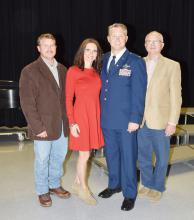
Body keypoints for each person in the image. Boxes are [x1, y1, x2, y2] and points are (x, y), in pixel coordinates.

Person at [98, 23, 147, 211]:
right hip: (107, 119)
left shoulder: (135, 61)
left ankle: (129, 193)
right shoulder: (102, 59)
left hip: (127, 121)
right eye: (113, 36)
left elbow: (138, 93)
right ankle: (114, 185)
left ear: (126, 38)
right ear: (108, 38)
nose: (117, 39)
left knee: (128, 157)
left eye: (121, 36)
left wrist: (135, 118)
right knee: (111, 155)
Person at [19, 33, 71, 207]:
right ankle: (42, 190)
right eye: (45, 45)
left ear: (56, 47)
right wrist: (37, 127)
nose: (50, 49)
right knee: (42, 159)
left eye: (52, 45)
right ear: (39, 48)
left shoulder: (63, 69)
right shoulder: (29, 70)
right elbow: (27, 103)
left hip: (62, 125)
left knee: (59, 157)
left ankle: (54, 184)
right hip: (43, 126)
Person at [137, 31, 182, 201]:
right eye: (149, 41)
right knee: (144, 156)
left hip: (162, 121)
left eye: (156, 41)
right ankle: (147, 183)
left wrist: (172, 122)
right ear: (145, 44)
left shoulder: (172, 65)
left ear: (162, 45)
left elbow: (176, 97)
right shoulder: (138, 63)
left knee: (162, 158)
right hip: (141, 121)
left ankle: (157, 186)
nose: (152, 44)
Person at [65, 38, 104, 205]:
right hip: (80, 117)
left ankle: (76, 183)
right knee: (84, 154)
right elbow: (68, 99)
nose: (91, 53)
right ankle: (84, 189)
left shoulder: (97, 72)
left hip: (94, 116)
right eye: (88, 50)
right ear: (82, 52)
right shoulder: (73, 71)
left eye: (94, 51)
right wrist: (72, 123)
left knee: (86, 153)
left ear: (97, 54)